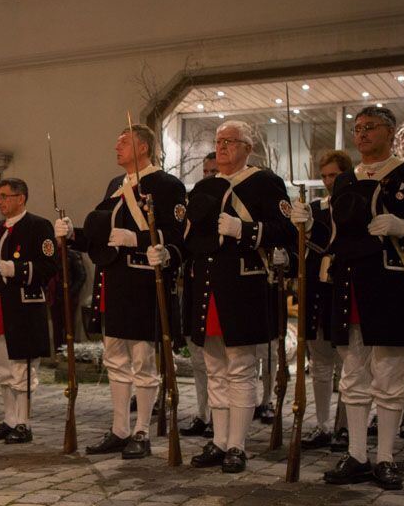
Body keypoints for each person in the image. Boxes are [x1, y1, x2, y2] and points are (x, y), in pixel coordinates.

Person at [299, 106, 404, 490]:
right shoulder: (346, 179)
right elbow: (336, 234)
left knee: (391, 375)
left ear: (390, 131)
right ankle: (358, 454)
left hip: (392, 282)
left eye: (370, 128)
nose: (362, 134)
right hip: (349, 283)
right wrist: (305, 224)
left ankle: (384, 457)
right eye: (358, 128)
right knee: (352, 375)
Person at [56, 124, 186, 459]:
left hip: (144, 283)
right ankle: (119, 428)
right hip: (113, 282)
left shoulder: (167, 185)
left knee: (142, 360)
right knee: (114, 359)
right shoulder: (117, 185)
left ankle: (141, 430)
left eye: (124, 141)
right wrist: (74, 235)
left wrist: (139, 240)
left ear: (143, 147)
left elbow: (176, 235)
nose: (117, 146)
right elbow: (104, 235)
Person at [181, 120, 295, 473]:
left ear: (248, 147)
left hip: (243, 286)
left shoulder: (265, 182)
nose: (223, 146)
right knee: (215, 369)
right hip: (208, 286)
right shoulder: (204, 186)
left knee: (242, 369)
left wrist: (243, 230)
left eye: (231, 141)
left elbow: (285, 231)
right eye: (218, 141)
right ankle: (218, 440)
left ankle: (237, 445)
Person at [0, 178, 57, 444]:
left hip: (24, 308)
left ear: (21, 198)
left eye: (5, 196)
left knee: (22, 369)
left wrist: (18, 269)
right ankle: (9, 419)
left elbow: (50, 265)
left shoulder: (38, 226)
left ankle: (24, 423)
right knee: (3, 369)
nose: (0, 201)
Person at [297, 150, 350, 449]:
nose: (329, 181)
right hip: (318, 290)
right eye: (326, 175)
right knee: (319, 363)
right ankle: (322, 424)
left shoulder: (354, 204)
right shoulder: (315, 209)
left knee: (347, 364)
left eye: (335, 175)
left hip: (342, 286)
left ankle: (344, 427)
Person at [181, 153, 224, 439]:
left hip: (219, 285)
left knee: (221, 363)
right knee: (198, 358)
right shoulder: (196, 200)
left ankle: (221, 421)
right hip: (194, 286)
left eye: (214, 170)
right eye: (206, 170)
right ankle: (202, 412)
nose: (209, 175)